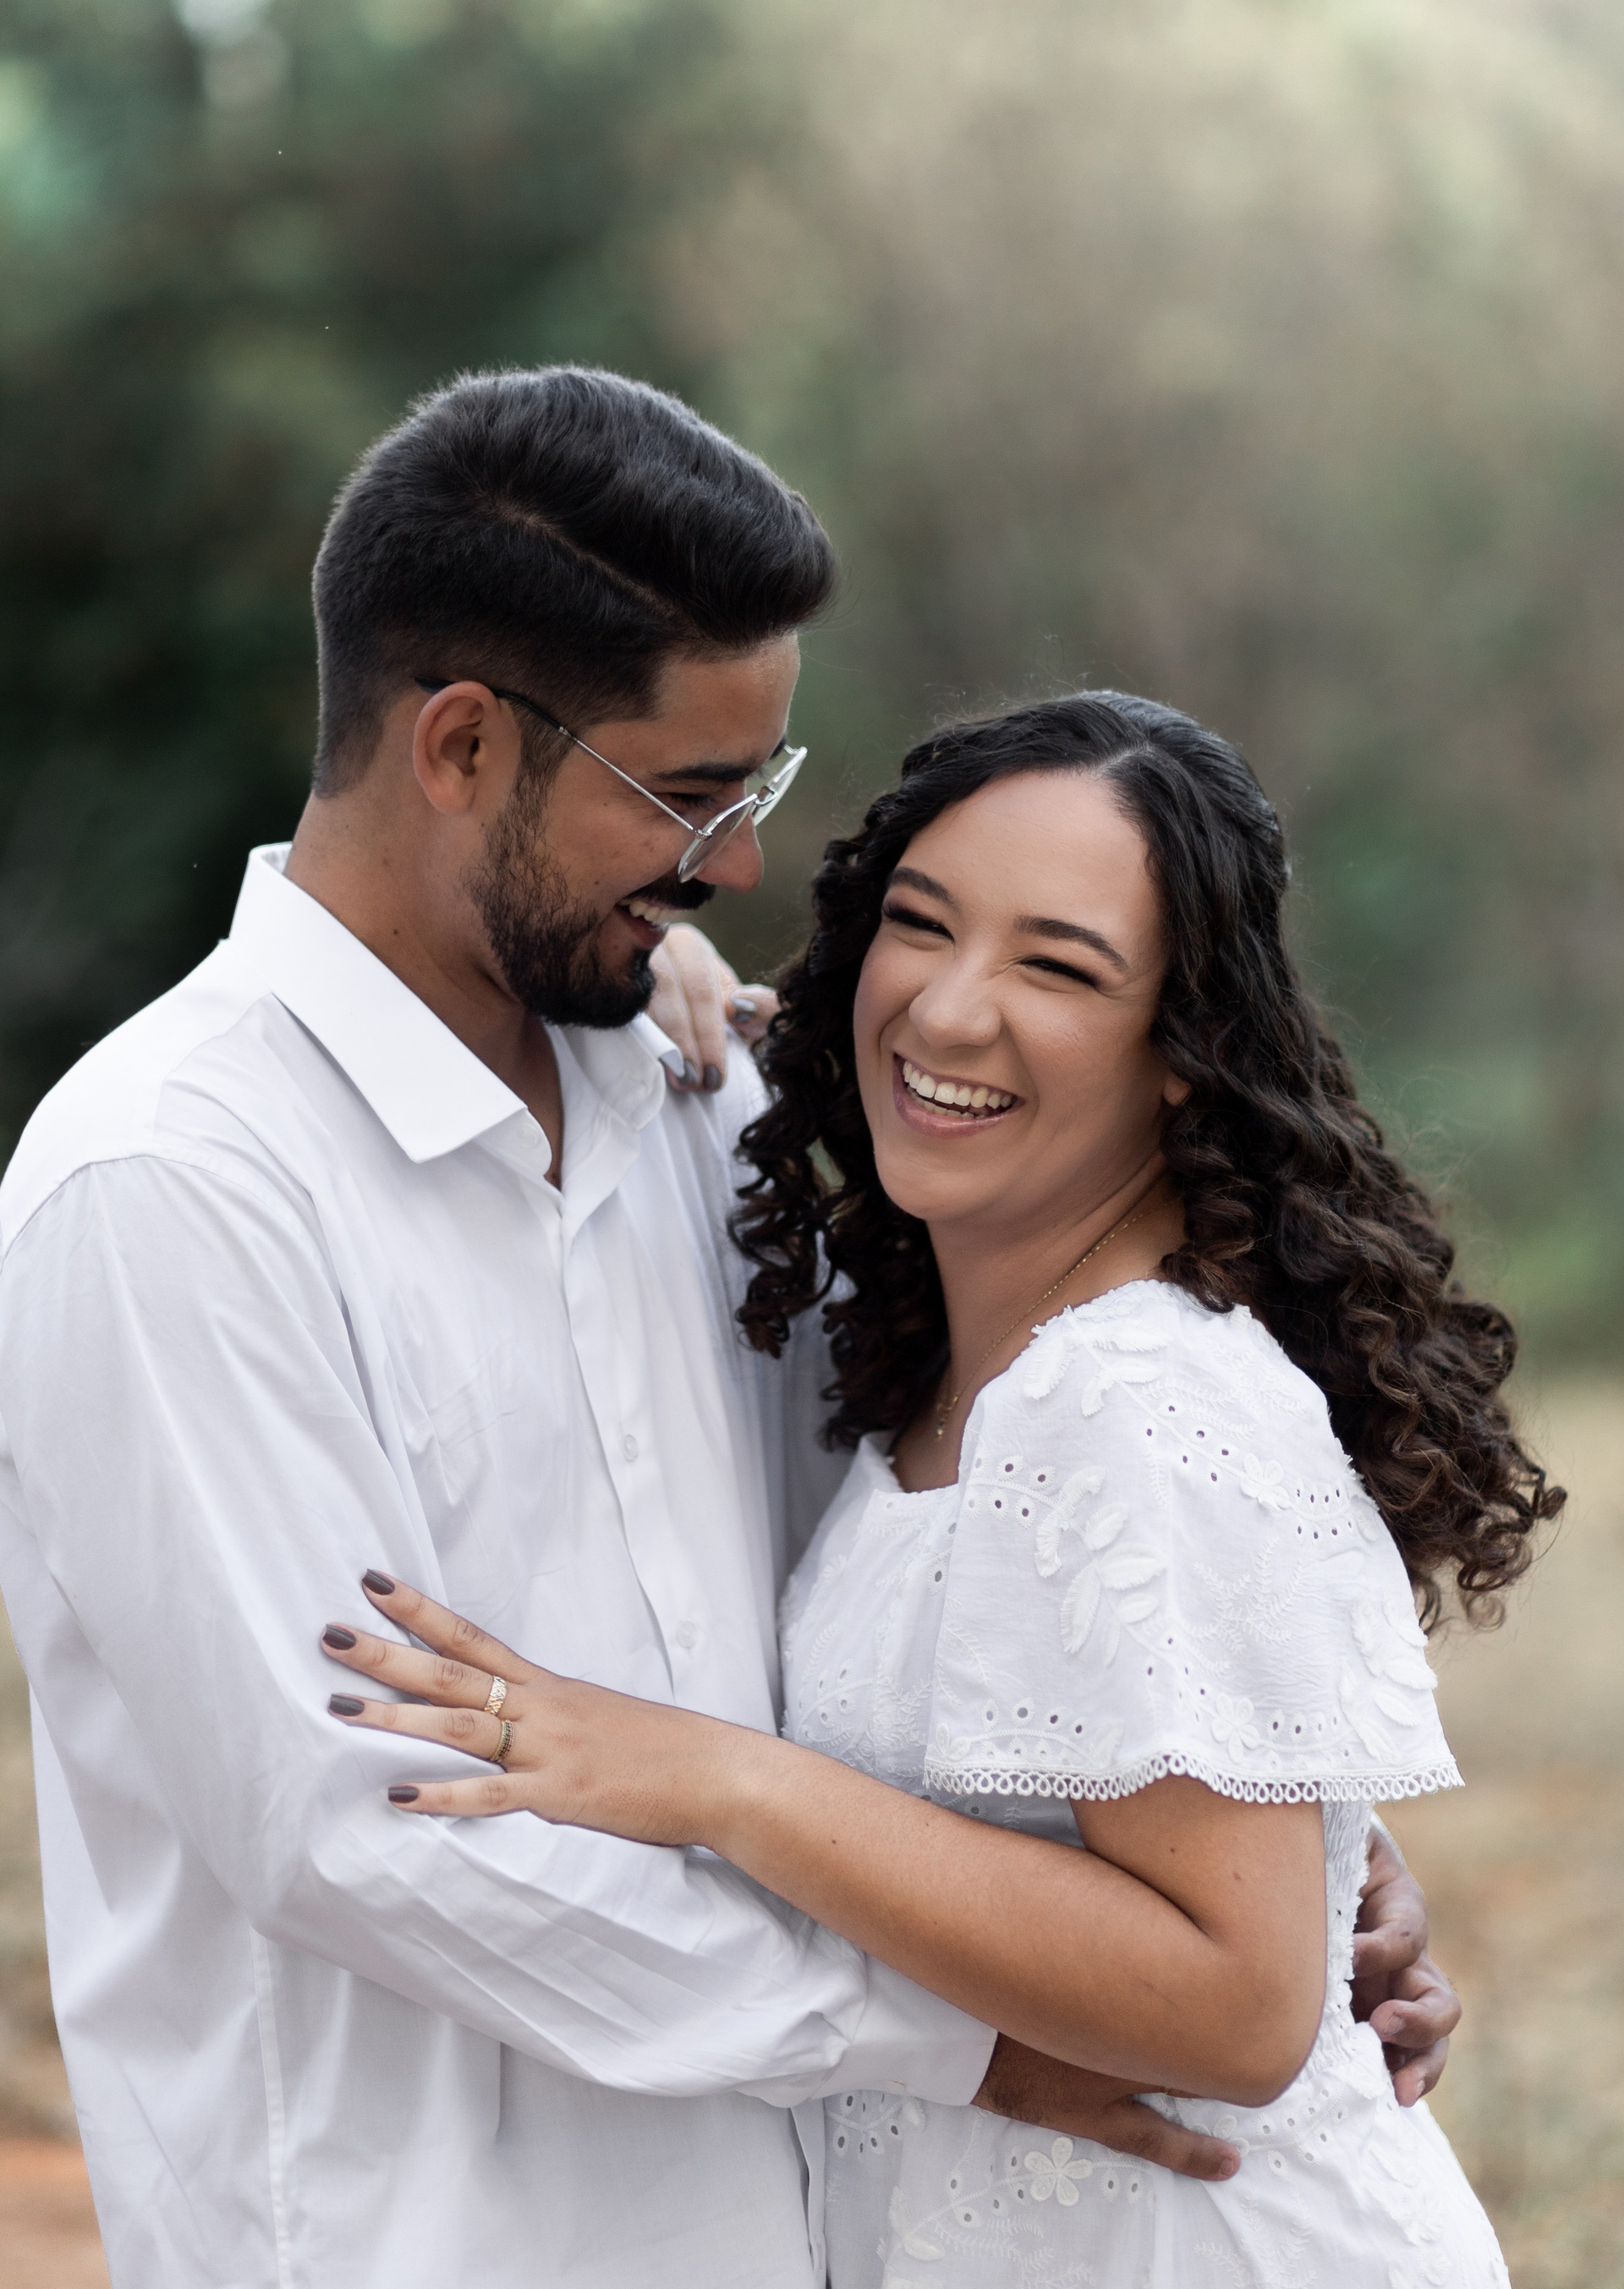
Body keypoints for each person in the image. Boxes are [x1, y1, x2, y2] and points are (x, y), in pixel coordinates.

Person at [318, 693, 1552, 2286]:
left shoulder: (1128, 1395)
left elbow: (1244, 2015)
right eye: (921, 924)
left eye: (1060, 967)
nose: (952, 1010)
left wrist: (717, 1782)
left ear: (1189, 1052)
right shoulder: (953, 1368)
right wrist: (664, 980)